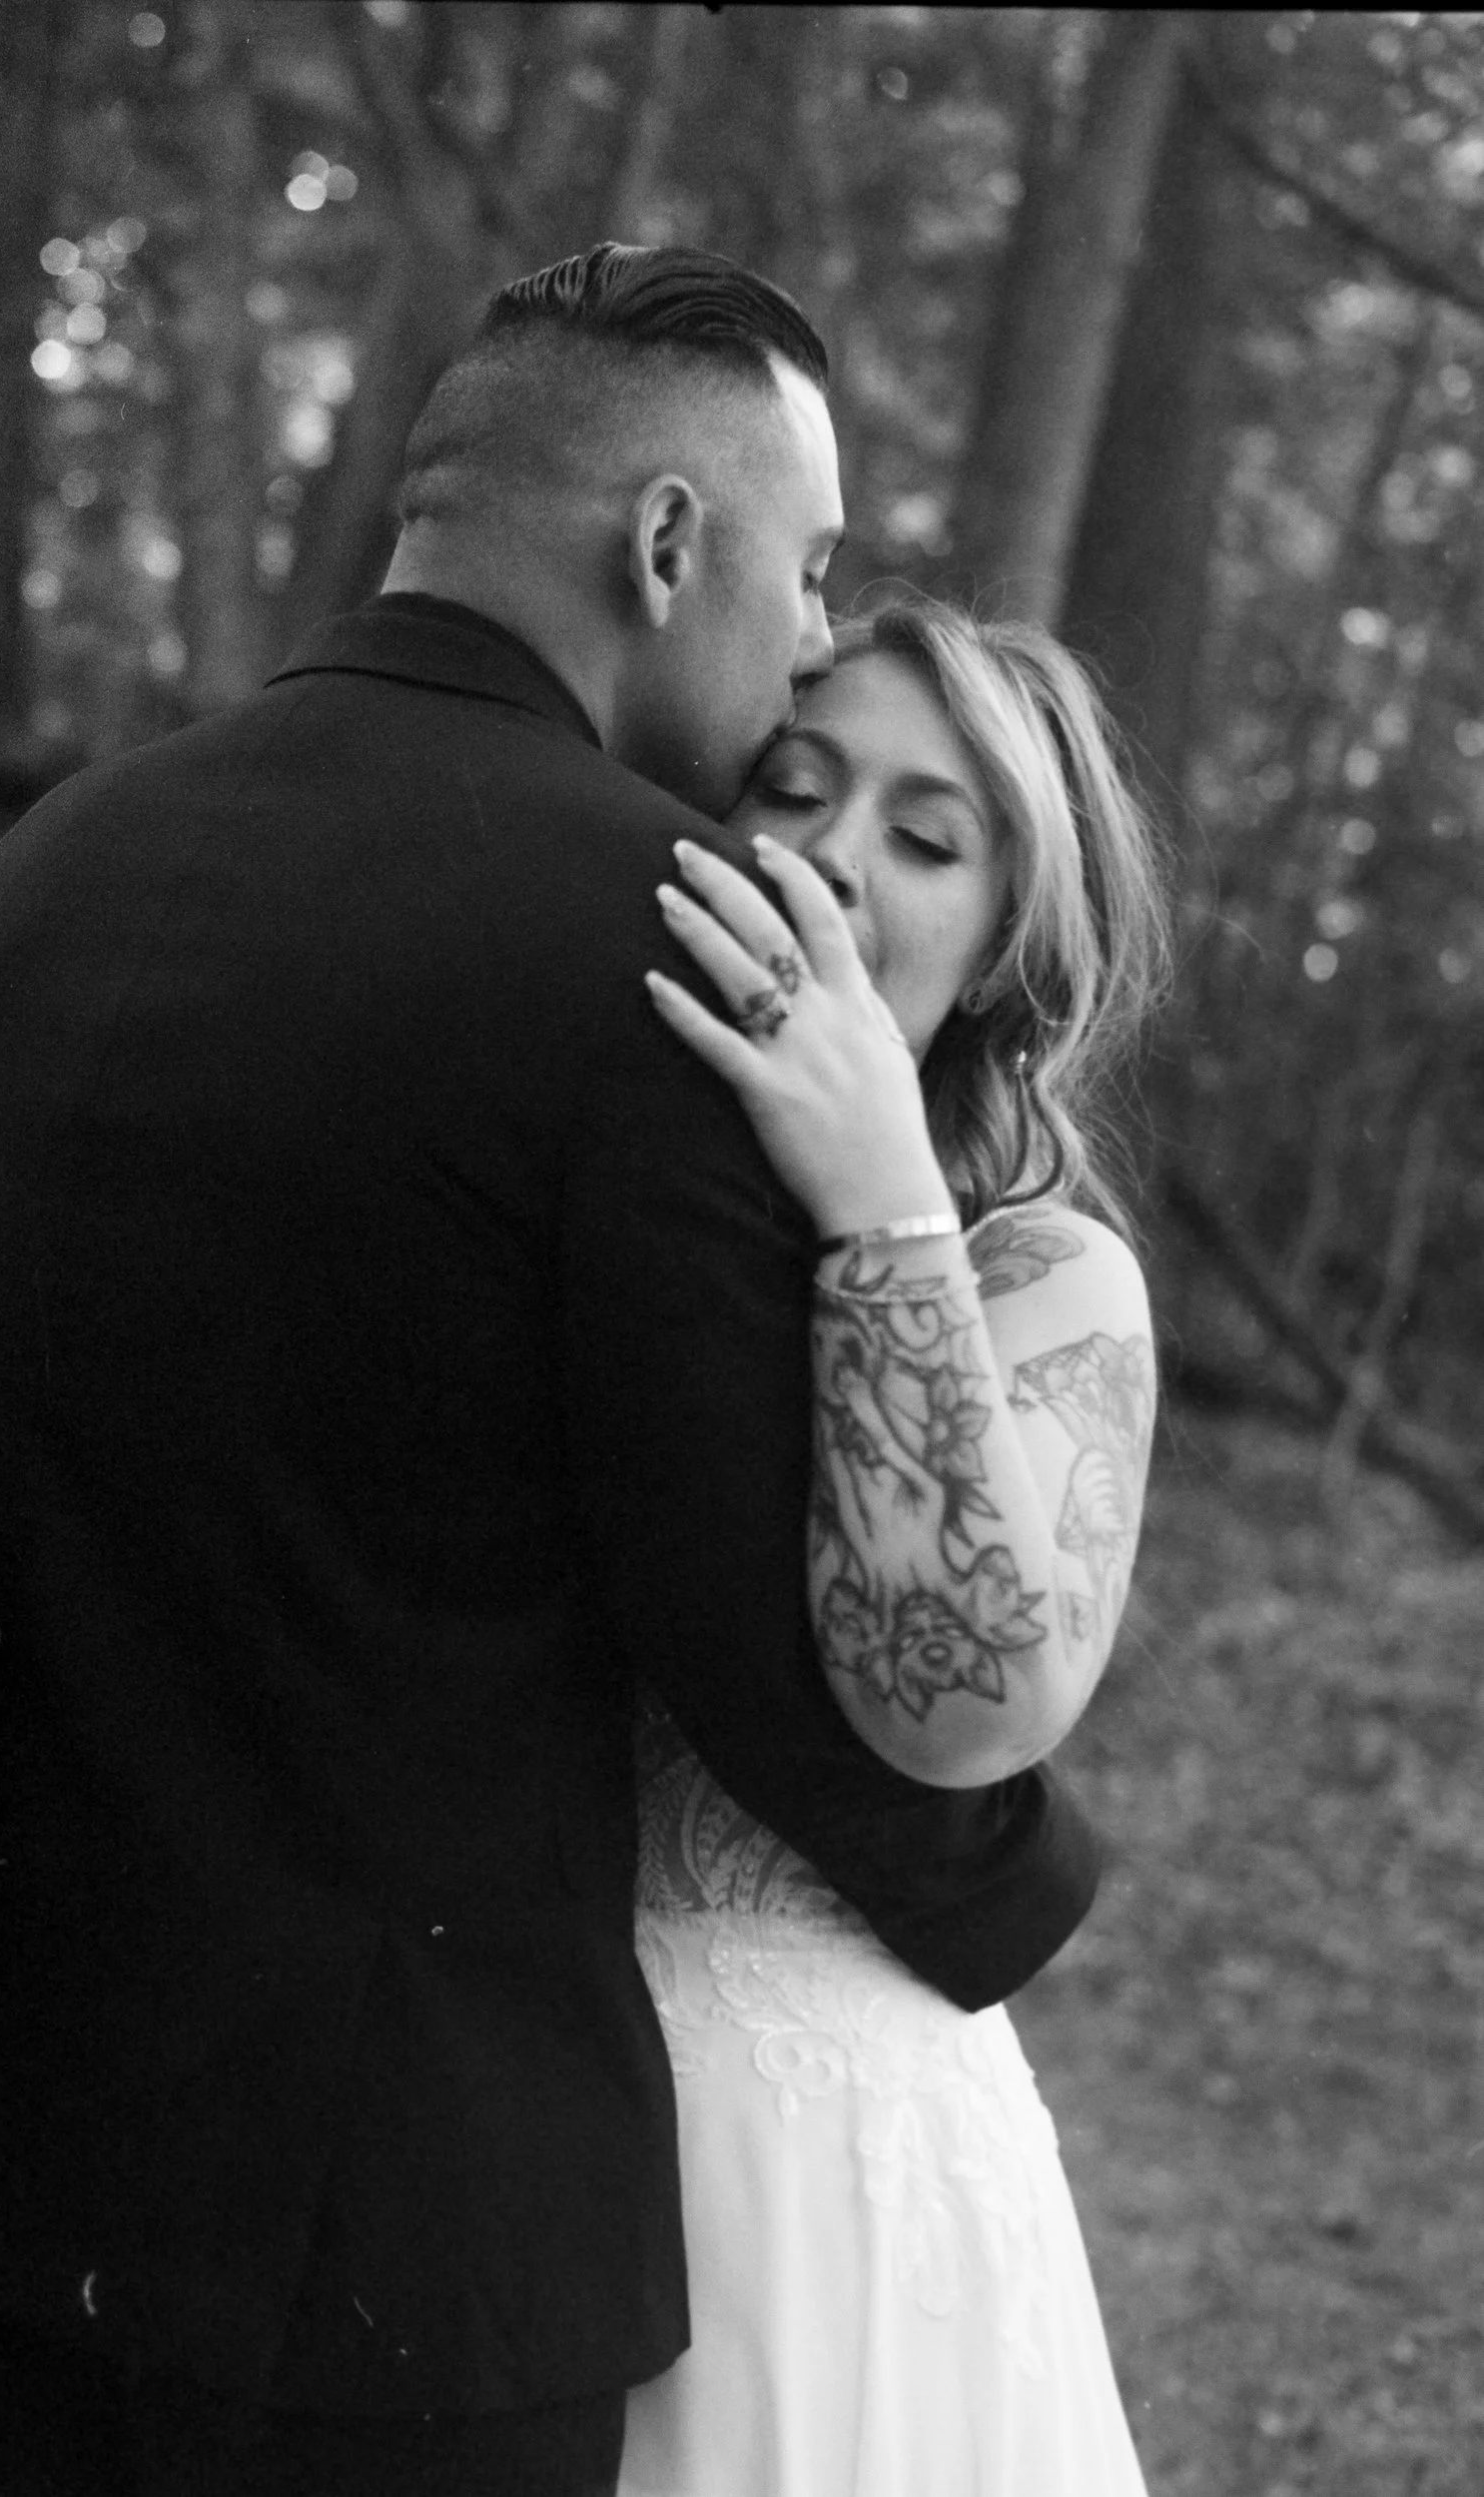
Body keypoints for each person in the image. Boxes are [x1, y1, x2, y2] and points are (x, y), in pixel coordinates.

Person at [0, 245, 1104, 2497]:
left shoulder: (54, 865)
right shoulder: (665, 948)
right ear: (664, 540)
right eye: (799, 569)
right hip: (371, 2215)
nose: (806, 635)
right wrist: (1006, 1880)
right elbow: (744, 1613)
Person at [623, 596, 1170, 2492]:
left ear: (1007, 951)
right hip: (504, 2115)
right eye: (795, 786)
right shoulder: (581, 1187)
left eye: (927, 839)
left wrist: (875, 1192)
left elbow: (964, 1709)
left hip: (824, 2161)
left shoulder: (1049, 1279)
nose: (838, 858)